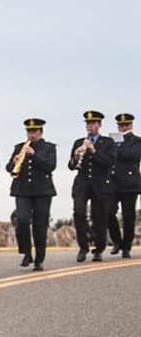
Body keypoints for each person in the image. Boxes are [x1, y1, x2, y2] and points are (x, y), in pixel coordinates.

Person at [7, 118, 57, 271]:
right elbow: (9, 168)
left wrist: (34, 155)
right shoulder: (19, 147)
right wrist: (15, 161)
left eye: (34, 132)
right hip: (22, 190)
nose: (31, 135)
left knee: (40, 226)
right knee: (21, 220)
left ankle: (39, 259)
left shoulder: (48, 147)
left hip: (42, 191)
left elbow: (50, 166)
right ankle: (26, 252)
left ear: (40, 132)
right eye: (29, 131)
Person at [68, 111, 116, 262]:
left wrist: (94, 151)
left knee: (99, 217)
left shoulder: (107, 143)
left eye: (93, 123)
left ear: (99, 125)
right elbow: (71, 166)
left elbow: (109, 162)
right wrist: (76, 156)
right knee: (79, 213)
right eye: (88, 124)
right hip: (82, 183)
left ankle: (99, 248)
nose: (90, 126)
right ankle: (83, 247)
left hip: (100, 184)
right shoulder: (78, 142)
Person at [107, 113, 140, 258]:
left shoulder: (137, 141)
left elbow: (132, 155)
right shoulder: (111, 141)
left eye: (126, 125)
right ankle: (117, 241)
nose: (123, 127)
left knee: (128, 216)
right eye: (121, 125)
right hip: (113, 182)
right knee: (108, 212)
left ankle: (126, 246)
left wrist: (116, 147)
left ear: (131, 125)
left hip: (129, 183)